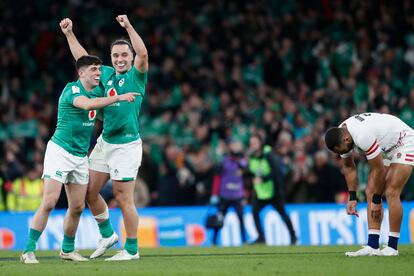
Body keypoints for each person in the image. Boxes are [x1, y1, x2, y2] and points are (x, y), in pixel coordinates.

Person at [20, 55, 138, 264]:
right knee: (49, 202)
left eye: (99, 70)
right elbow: (87, 105)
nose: (98, 73)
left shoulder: (98, 92)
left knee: (76, 207)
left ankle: (67, 250)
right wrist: (118, 98)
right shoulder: (72, 90)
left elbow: (101, 109)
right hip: (60, 152)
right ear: (81, 72)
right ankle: (28, 250)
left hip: (80, 156)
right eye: (93, 70)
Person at [60, 14, 148, 261]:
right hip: (105, 142)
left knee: (123, 197)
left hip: (127, 145)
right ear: (111, 59)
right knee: (88, 192)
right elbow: (83, 60)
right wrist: (69, 34)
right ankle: (108, 234)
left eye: (124, 55)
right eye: (116, 56)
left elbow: (144, 55)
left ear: (130, 58)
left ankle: (132, 250)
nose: (120, 59)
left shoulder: (137, 76)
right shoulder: (106, 74)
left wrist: (129, 26)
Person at [325, 112, 414, 256]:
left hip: (404, 142)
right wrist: (352, 197)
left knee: (391, 191)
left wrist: (377, 200)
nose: (341, 153)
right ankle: (373, 245)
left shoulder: (361, 135)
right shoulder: (342, 134)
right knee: (369, 191)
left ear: (346, 139)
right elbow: (349, 167)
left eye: (340, 151)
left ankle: (392, 247)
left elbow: (379, 170)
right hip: (386, 145)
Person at [247, 134, 297, 245]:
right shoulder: (251, 157)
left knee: (283, 213)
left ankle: (293, 236)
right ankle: (261, 237)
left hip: (274, 191)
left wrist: (262, 179)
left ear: (260, 143)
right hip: (260, 191)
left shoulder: (268, 154)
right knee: (254, 212)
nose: (253, 145)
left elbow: (276, 171)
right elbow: (251, 172)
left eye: (255, 143)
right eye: (251, 143)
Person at [210, 140, 247, 245]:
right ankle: (214, 240)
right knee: (220, 219)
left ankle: (244, 239)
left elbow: (245, 169)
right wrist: (215, 194)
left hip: (237, 196)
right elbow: (217, 174)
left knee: (241, 218)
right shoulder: (224, 161)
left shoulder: (241, 162)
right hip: (225, 196)